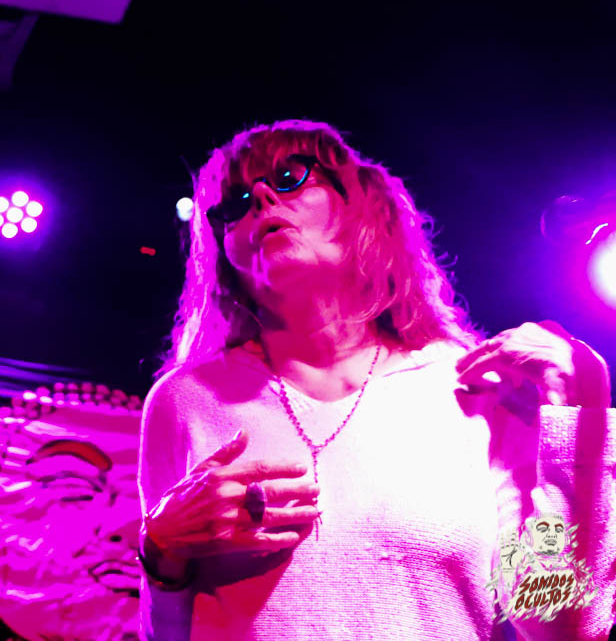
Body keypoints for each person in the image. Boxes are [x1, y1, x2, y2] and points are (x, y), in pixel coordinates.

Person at [136, 120, 615, 639]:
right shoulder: (187, 401)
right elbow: (168, 634)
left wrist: (581, 415)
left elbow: (562, 625)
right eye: (235, 203)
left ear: (362, 206)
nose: (263, 199)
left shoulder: (473, 390)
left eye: (290, 176)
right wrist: (160, 552)